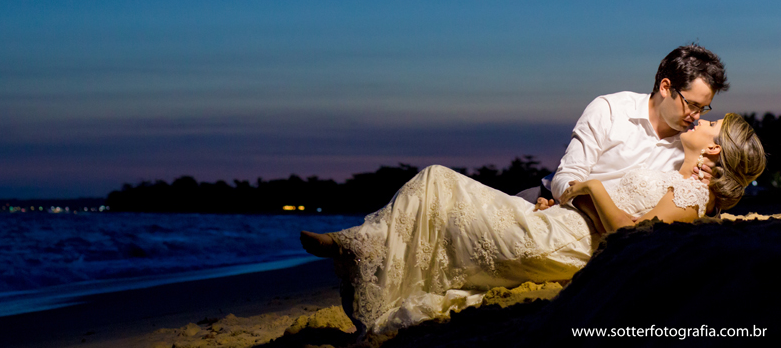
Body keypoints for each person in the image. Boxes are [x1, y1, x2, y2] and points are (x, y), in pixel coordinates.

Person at [301, 113, 764, 335]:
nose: (702, 119)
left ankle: (358, 247)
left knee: (438, 183)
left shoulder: (691, 196)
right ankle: (361, 246)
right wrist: (571, 200)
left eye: (712, 123)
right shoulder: (676, 177)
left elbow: (632, 240)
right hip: (562, 222)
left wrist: (593, 190)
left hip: (567, 244)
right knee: (437, 185)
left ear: (715, 149)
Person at [524, 44, 729, 216]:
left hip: (608, 231)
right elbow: (565, 177)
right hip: (547, 200)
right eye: (692, 104)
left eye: (703, 108)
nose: (697, 116)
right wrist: (603, 216)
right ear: (666, 87)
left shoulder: (691, 146)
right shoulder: (610, 109)